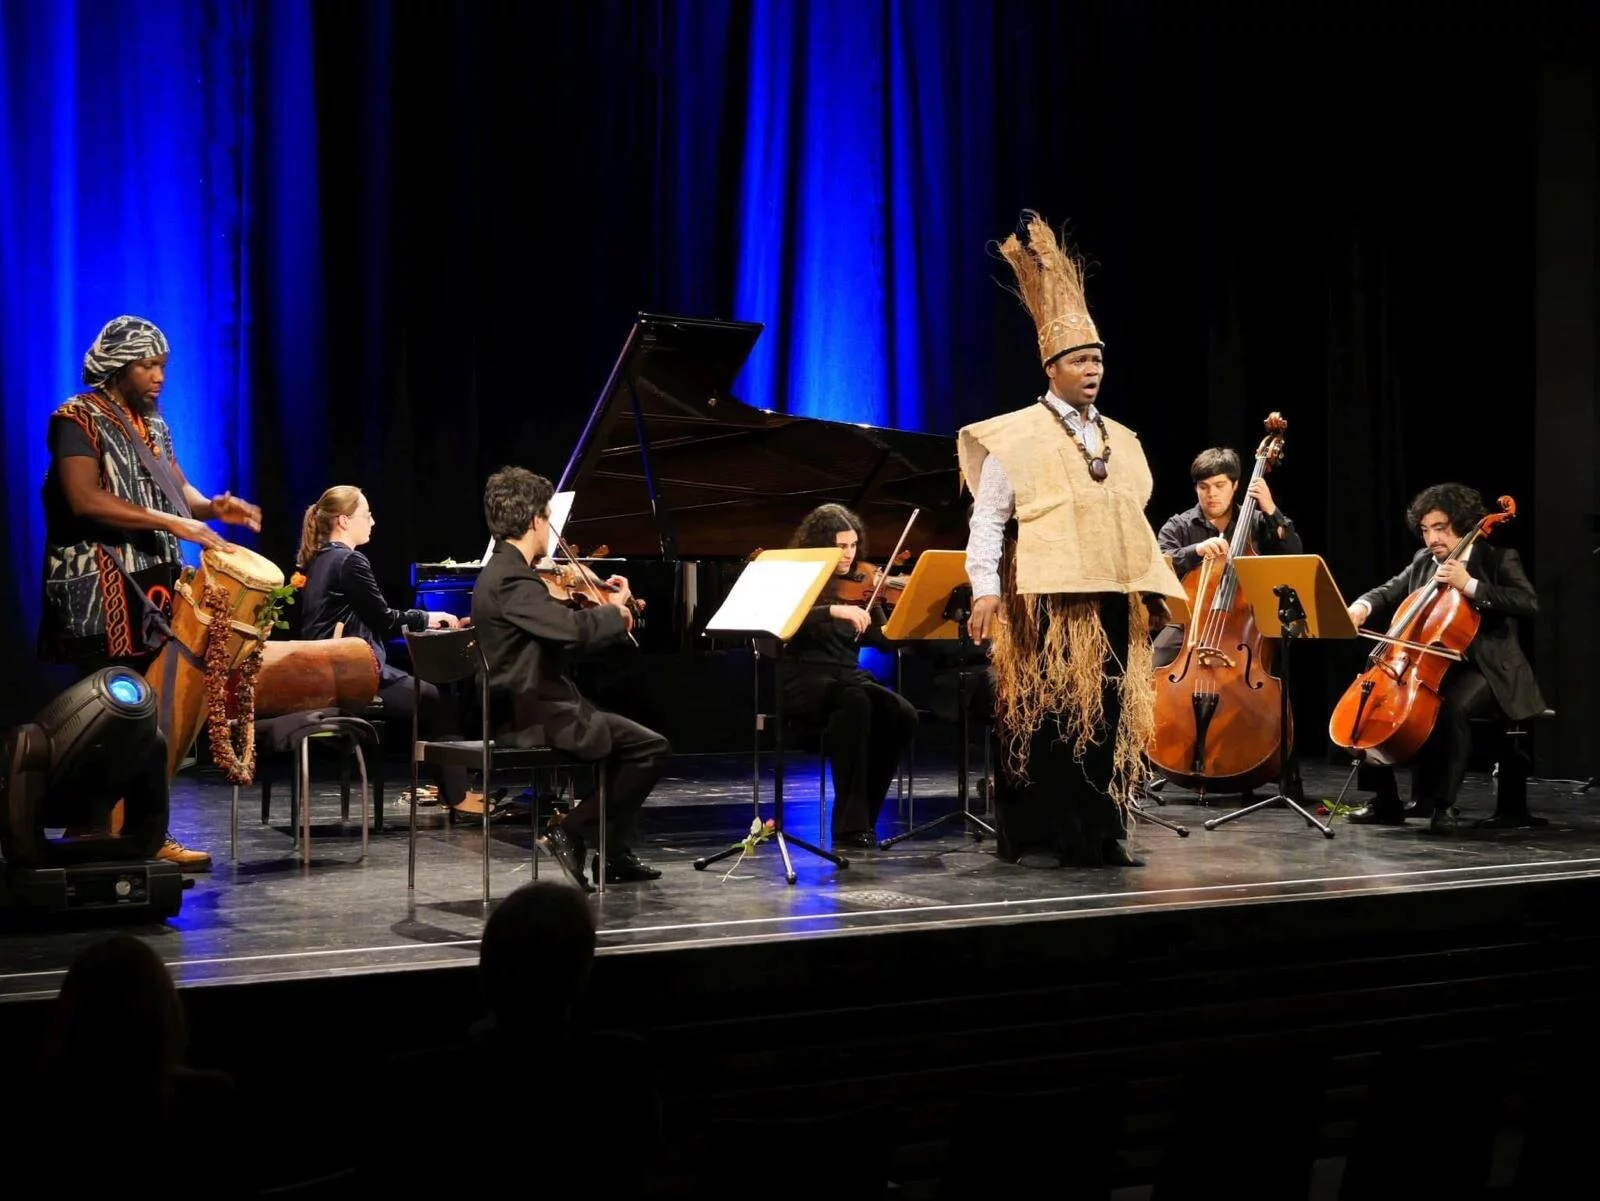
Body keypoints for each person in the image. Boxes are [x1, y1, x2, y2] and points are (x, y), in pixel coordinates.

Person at [959, 211, 1186, 868]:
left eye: (1098, 360)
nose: (1093, 370)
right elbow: (988, 518)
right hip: (1045, 601)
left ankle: (1101, 832)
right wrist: (983, 589)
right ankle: (1041, 834)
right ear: (1052, 367)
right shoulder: (1015, 436)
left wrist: (1152, 589)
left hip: (1111, 597)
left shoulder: (1122, 439)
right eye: (1081, 360)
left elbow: (1132, 520)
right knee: (1046, 716)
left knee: (1109, 715)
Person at [37, 315, 261, 870]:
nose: (159, 376)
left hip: (152, 586)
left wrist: (213, 508)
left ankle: (142, 831)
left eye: (162, 365)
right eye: (147, 366)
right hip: (99, 586)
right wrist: (176, 523)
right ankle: (94, 825)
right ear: (118, 367)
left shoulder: (153, 425)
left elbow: (179, 491)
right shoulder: (76, 419)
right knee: (109, 713)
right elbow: (84, 498)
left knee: (150, 717)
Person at [472, 467, 668, 888]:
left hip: (532, 703)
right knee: (649, 748)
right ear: (535, 520)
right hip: (531, 714)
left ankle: (614, 854)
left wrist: (607, 610)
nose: (550, 530)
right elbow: (568, 630)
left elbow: (558, 642)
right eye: (548, 519)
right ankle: (570, 829)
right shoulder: (511, 579)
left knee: (629, 741)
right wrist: (614, 613)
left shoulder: (507, 572)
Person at [1341, 483, 1546, 830]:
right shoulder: (1424, 561)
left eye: (1440, 528)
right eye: (1425, 530)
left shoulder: (1497, 558)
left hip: (1486, 668)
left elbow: (1528, 603)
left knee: (1452, 708)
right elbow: (1389, 590)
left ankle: (1443, 805)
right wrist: (1361, 607)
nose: (1432, 539)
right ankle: (1385, 801)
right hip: (1433, 665)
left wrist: (1470, 585)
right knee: (1370, 699)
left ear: (1463, 524)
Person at [297, 485, 483, 815]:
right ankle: (458, 797)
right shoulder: (349, 560)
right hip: (352, 673)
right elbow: (383, 619)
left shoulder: (321, 560)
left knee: (429, 695)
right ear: (343, 520)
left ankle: (451, 790)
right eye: (366, 515)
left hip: (330, 669)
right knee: (435, 699)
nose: (372, 521)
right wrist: (428, 617)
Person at [782, 503, 918, 848]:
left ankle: (864, 817)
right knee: (855, 702)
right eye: (841, 546)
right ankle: (849, 825)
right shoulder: (797, 579)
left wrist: (904, 616)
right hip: (805, 678)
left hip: (848, 676)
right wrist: (831, 610)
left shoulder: (864, 585)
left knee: (901, 712)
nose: (849, 554)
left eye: (854, 545)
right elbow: (783, 621)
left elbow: (883, 641)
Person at [1152, 446, 1305, 668]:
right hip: (1190, 625)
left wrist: (1270, 508)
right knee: (1151, 670)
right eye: (1204, 486)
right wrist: (1196, 550)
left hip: (1244, 626)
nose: (1211, 494)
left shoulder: (1256, 522)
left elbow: (1293, 553)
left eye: (1219, 485)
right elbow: (1160, 564)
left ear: (1235, 485)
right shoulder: (1178, 526)